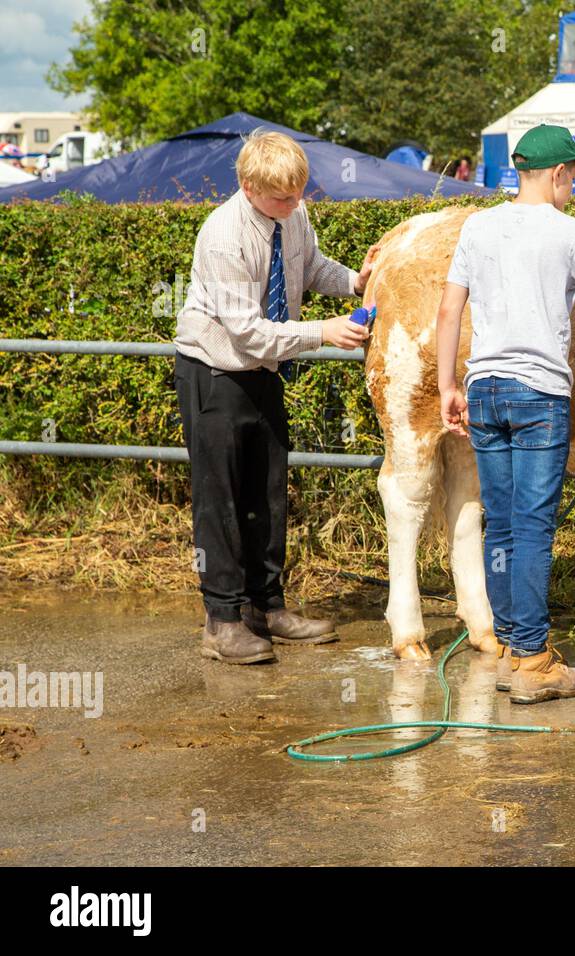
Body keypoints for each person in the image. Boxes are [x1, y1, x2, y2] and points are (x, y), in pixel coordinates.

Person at [435, 124, 575, 704]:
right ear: (558, 174)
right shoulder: (573, 232)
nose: (574, 191)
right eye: (574, 180)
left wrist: (446, 387)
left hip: (482, 390)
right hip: (538, 396)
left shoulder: (477, 226)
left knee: (501, 523)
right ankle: (534, 661)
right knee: (532, 528)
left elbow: (448, 311)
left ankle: (509, 648)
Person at [173, 129, 376, 665]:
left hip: (262, 369)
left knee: (268, 491)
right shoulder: (224, 235)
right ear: (247, 185)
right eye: (281, 198)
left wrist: (358, 282)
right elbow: (246, 332)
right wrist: (323, 332)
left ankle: (266, 607)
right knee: (221, 498)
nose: (293, 205)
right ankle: (221, 620)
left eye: (299, 194)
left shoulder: (293, 213)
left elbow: (309, 267)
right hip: (216, 371)